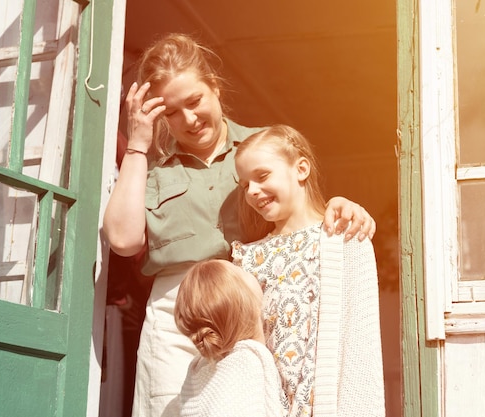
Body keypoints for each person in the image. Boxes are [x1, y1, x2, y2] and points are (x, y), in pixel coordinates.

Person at [102, 33, 377, 417]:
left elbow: (301, 204)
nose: (188, 119)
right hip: (176, 319)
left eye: (194, 101)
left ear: (214, 87)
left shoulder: (261, 148)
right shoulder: (152, 169)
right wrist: (137, 145)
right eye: (171, 112)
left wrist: (339, 204)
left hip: (252, 309)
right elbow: (123, 239)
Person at [232, 124, 386, 417]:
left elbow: (361, 346)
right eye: (244, 185)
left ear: (301, 169)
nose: (252, 191)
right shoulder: (247, 259)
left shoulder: (346, 241)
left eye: (262, 176)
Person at [174, 259, 287, 417]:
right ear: (245, 304)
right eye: (240, 271)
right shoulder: (245, 364)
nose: (248, 270)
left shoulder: (202, 370)